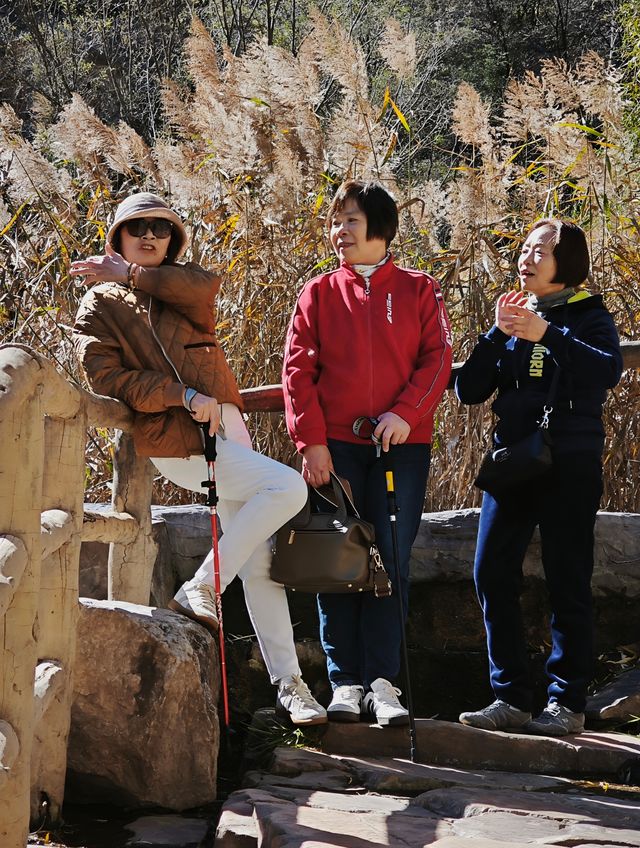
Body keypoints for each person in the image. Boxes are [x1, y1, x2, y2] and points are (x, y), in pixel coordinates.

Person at [71, 191, 327, 726]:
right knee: (287, 488)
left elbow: (206, 288)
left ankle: (291, 687)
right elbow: (109, 379)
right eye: (136, 227)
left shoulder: (179, 284)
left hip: (228, 427)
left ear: (173, 239)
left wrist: (133, 275)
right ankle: (203, 586)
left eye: (161, 228)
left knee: (259, 564)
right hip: (176, 437)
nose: (149, 235)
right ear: (117, 236)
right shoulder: (98, 303)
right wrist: (181, 395)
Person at [282, 180, 452, 726]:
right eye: (335, 222)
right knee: (335, 560)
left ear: (380, 226)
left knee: (390, 560)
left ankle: (383, 683)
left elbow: (437, 360)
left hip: (402, 447)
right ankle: (345, 683)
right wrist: (311, 442)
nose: (340, 231)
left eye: (351, 220)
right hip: (336, 451)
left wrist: (405, 413)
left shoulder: (420, 289)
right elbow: (297, 373)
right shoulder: (318, 293)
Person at [455, 218, 623, 736]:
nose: (525, 258)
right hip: (514, 461)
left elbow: (607, 371)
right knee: (490, 572)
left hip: (569, 461)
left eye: (539, 252)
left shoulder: (590, 314)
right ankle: (510, 697)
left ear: (565, 262)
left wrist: (546, 334)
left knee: (567, 579)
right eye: (524, 249)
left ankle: (566, 703)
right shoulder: (515, 315)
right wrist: (496, 333)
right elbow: (468, 390)